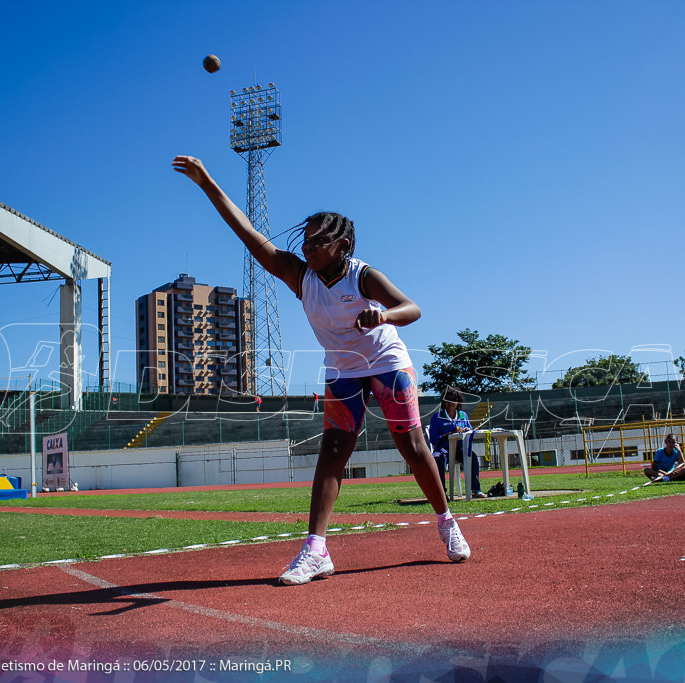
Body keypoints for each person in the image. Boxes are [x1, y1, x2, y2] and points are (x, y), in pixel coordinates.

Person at [173, 155, 470, 586]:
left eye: (317, 242)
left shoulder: (361, 276)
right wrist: (207, 183)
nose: (308, 247)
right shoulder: (299, 275)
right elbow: (248, 234)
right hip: (343, 370)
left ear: (343, 247)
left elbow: (412, 308)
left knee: (412, 446)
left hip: (386, 362)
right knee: (332, 453)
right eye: (306, 240)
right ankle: (316, 550)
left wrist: (383, 318)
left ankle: (446, 523)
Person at [428, 387, 486, 499]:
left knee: (472, 457)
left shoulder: (463, 415)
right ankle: (441, 493)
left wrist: (467, 431)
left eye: (453, 400)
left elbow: (469, 430)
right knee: (437, 458)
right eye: (448, 400)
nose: (451, 403)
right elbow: (434, 439)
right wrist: (451, 433)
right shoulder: (437, 418)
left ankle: (476, 490)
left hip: (460, 448)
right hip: (443, 449)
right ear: (443, 402)